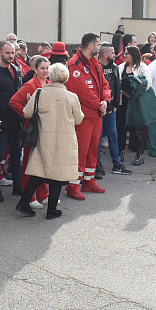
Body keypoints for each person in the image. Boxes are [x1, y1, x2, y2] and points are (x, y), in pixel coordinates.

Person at [15, 63, 85, 220]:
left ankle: (23, 202)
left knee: (39, 173)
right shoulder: (72, 97)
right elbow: (79, 119)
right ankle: (51, 210)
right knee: (58, 176)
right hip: (65, 141)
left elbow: (27, 113)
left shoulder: (40, 93)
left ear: (50, 76)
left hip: (43, 139)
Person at [65, 33, 110, 199]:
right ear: (91, 46)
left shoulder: (95, 64)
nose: (99, 48)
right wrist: (99, 104)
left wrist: (105, 100)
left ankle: (89, 180)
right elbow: (81, 92)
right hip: (82, 117)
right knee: (81, 150)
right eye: (98, 45)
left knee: (92, 149)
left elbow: (105, 85)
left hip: (96, 115)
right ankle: (73, 185)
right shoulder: (74, 65)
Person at [10, 56, 53, 209]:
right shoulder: (30, 85)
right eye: (42, 68)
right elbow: (13, 101)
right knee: (29, 163)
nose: (45, 71)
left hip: (45, 130)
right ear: (35, 69)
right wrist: (27, 113)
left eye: (47, 68)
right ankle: (29, 196)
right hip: (33, 130)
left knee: (42, 162)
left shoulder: (49, 84)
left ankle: (42, 194)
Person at [0, 41, 23, 201]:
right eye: (7, 53)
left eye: (13, 52)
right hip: (1, 120)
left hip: (15, 120)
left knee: (16, 154)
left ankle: (17, 185)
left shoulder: (16, 70)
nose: (11, 55)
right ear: (0, 53)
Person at [95, 43, 128, 177]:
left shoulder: (114, 68)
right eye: (112, 53)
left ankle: (117, 164)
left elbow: (117, 87)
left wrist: (115, 105)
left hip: (111, 109)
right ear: (105, 55)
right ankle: (97, 165)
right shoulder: (95, 67)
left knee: (113, 136)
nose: (114, 55)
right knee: (97, 139)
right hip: (98, 109)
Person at [117, 46, 149, 166]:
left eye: (127, 54)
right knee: (121, 128)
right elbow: (117, 82)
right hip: (123, 101)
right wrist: (123, 91)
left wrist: (135, 90)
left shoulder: (142, 67)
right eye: (124, 53)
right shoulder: (121, 67)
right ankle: (120, 152)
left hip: (135, 102)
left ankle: (139, 154)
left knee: (137, 129)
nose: (125, 56)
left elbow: (148, 83)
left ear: (133, 54)